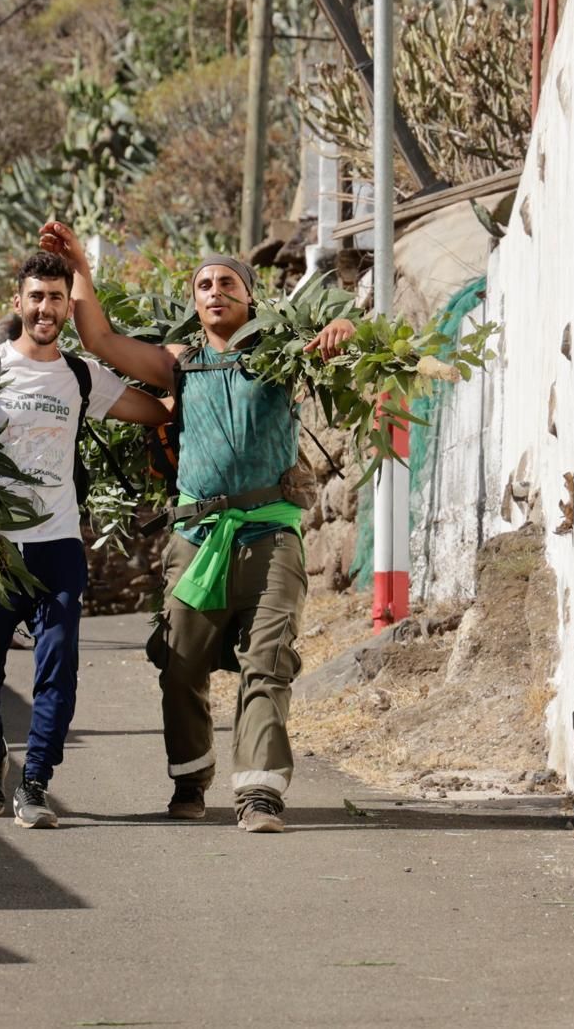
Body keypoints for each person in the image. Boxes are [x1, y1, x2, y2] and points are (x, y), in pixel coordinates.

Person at [40, 222, 354, 833]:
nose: (215, 291)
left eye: (228, 283)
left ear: (251, 298)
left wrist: (343, 328)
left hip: (271, 533)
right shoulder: (179, 364)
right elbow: (99, 338)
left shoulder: (281, 357)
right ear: (194, 302)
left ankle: (259, 794)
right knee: (180, 664)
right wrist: (78, 265)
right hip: (198, 537)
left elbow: (348, 343)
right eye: (204, 285)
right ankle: (190, 777)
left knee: (268, 661)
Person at [0, 252, 170, 828]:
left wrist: (210, 381)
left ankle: (35, 781)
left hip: (57, 544)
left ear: (68, 307)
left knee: (58, 666)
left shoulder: (83, 376)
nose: (45, 308)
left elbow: (155, 410)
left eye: (56, 298)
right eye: (36, 296)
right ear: (18, 302)